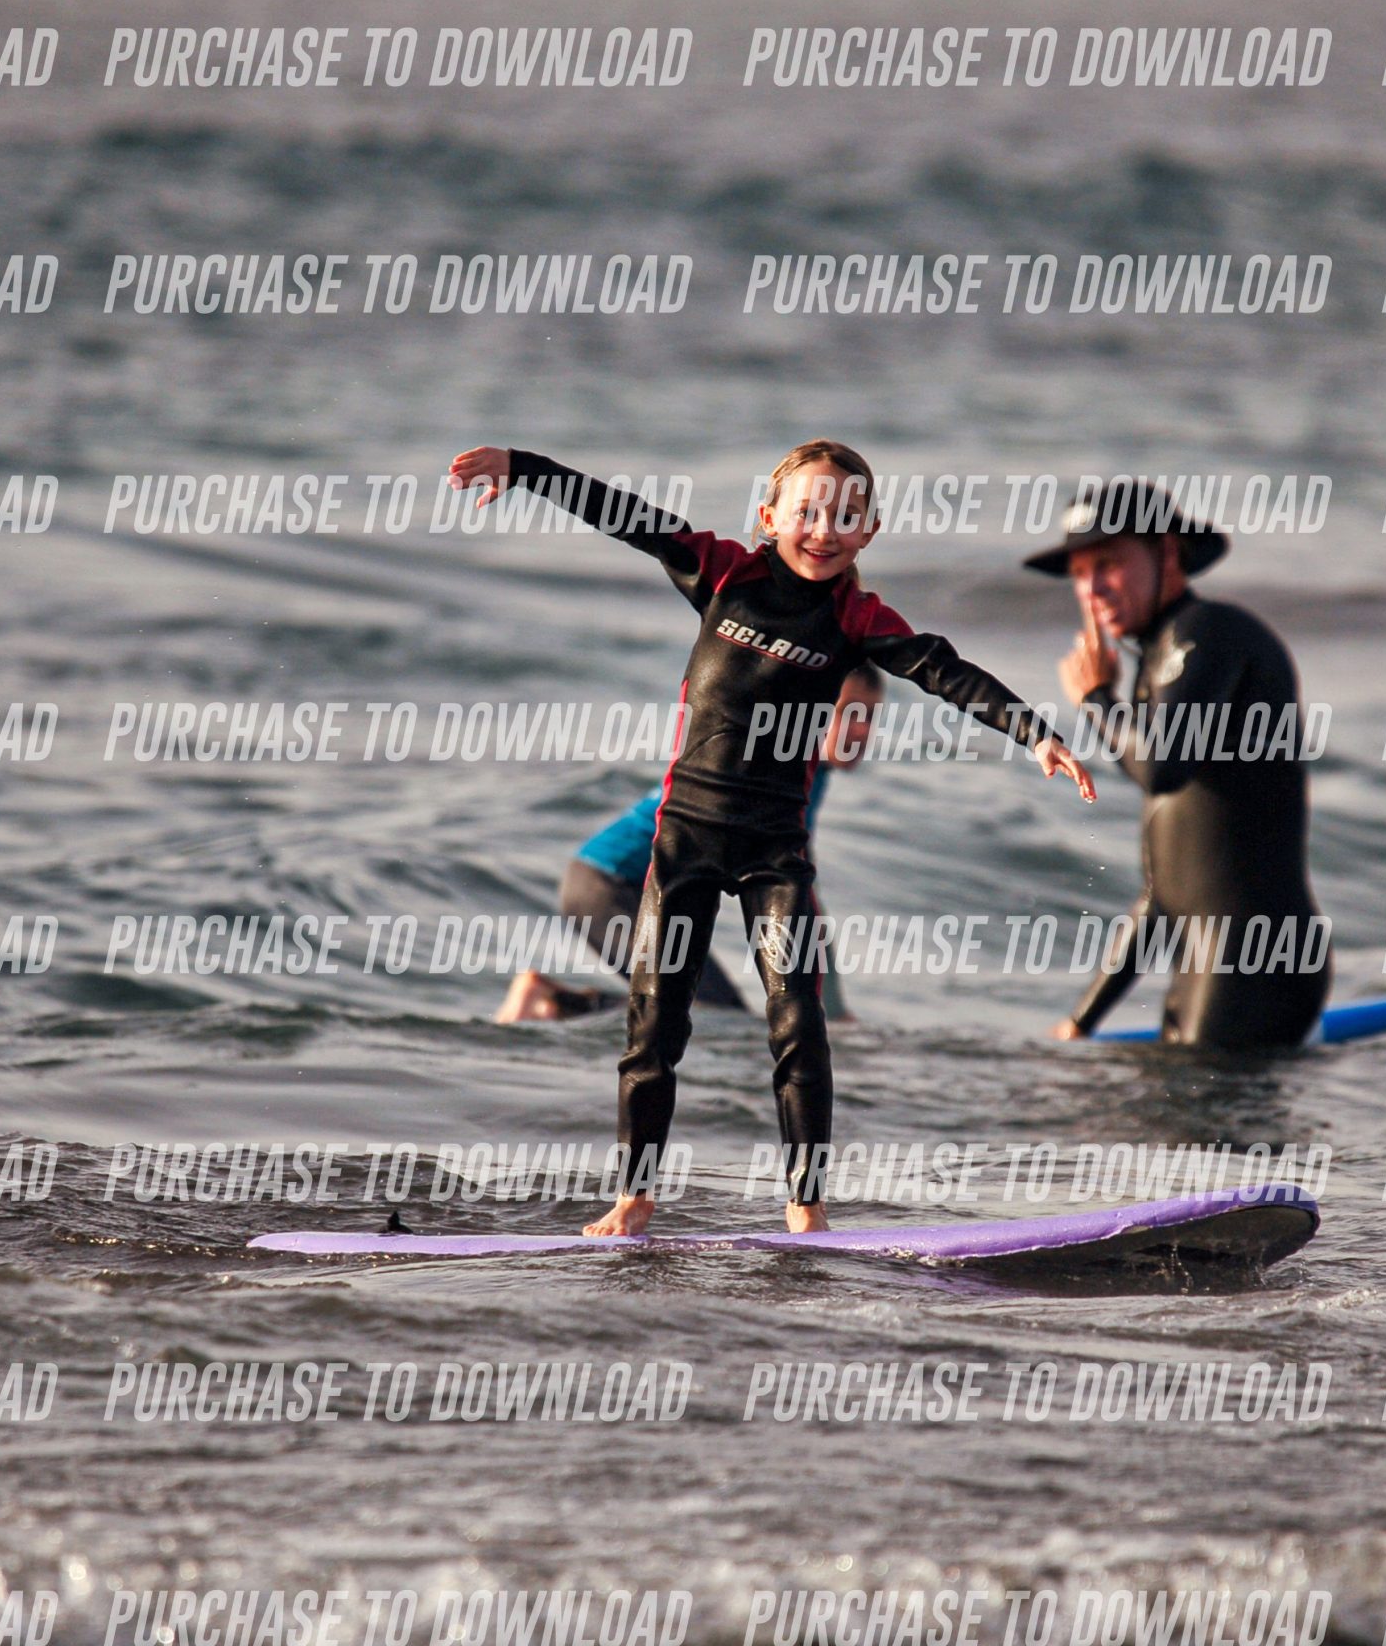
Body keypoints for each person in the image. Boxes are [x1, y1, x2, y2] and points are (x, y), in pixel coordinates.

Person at [449, 440, 1093, 1235]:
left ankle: (806, 1207)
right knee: (655, 1025)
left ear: (868, 531)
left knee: (798, 1026)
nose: (824, 529)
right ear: (770, 515)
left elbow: (941, 667)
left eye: (846, 516)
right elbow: (627, 517)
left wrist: (1033, 732)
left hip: (773, 854)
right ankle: (633, 1198)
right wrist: (523, 468)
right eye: (808, 511)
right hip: (685, 837)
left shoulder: (855, 618)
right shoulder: (723, 573)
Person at [1026, 477, 1331, 1048]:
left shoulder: (1212, 635)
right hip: (1212, 970)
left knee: (1197, 1106)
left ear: (1167, 552)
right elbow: (1164, 890)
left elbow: (1162, 766)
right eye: (1079, 573)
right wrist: (1083, 1022)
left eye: (1108, 564)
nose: (1092, 588)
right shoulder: (1161, 666)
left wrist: (1095, 698)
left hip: (1258, 964)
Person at [495, 663, 881, 1026]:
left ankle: (553, 1005)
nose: (861, 731)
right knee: (706, 1016)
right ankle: (549, 1003)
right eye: (848, 712)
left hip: (633, 890)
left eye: (869, 716)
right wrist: (828, 1014)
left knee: (722, 1017)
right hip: (609, 887)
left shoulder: (802, 770)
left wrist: (829, 1010)